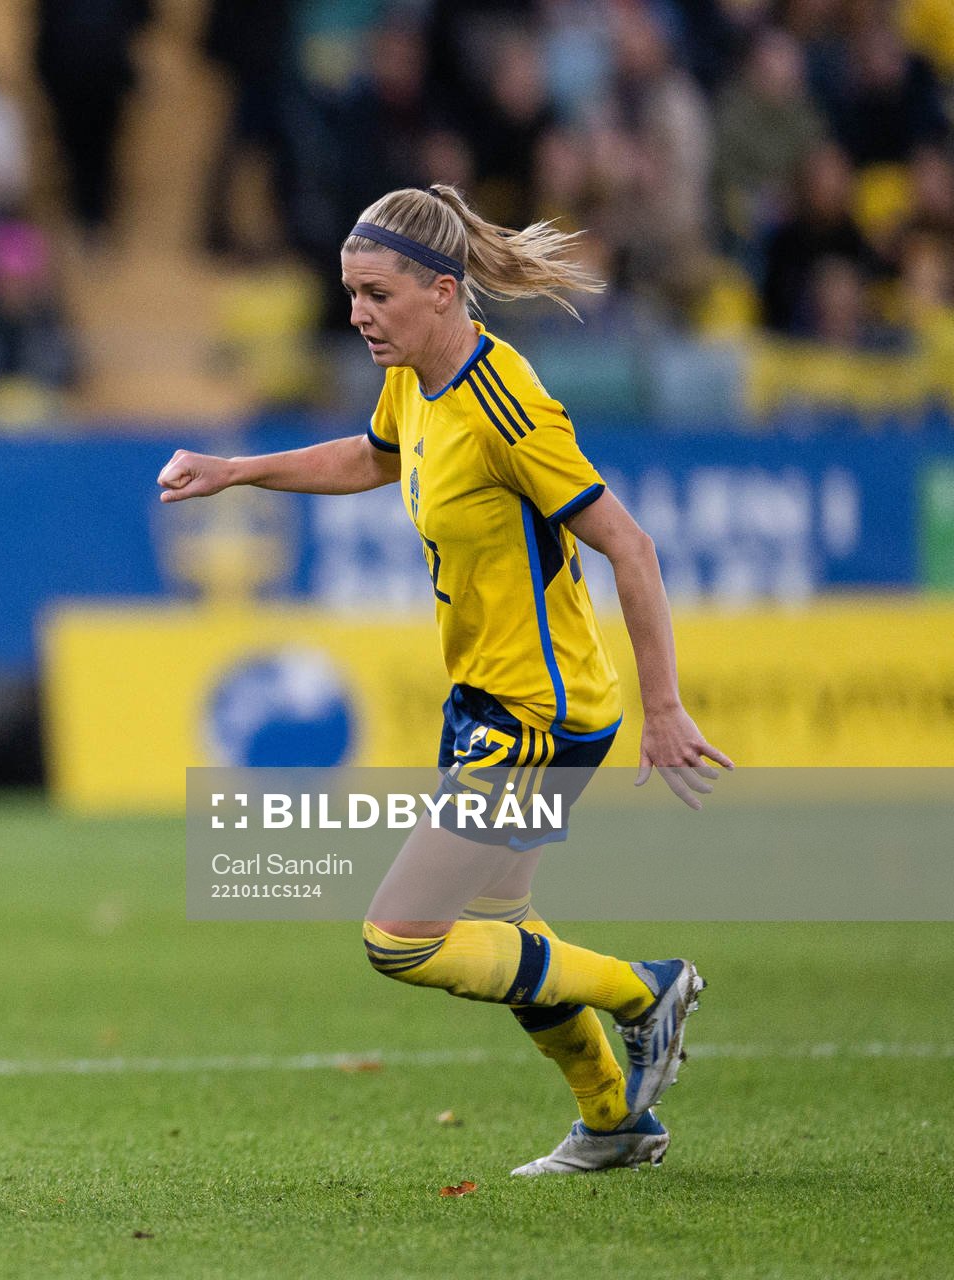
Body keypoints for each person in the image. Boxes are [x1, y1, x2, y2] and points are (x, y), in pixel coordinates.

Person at [156, 185, 732, 1177]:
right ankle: (613, 1118)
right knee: (503, 934)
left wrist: (667, 705)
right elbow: (367, 458)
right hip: (487, 701)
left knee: (403, 935)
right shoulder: (416, 379)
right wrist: (236, 470)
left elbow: (629, 545)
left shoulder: (504, 403)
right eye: (349, 293)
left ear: (442, 290)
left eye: (376, 293)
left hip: (539, 715)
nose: (357, 313)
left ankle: (647, 989)